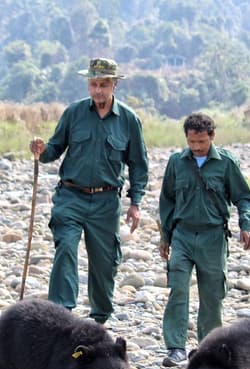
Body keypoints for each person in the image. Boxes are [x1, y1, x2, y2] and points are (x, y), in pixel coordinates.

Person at [29, 58, 148, 324]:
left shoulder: (129, 120)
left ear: (115, 84)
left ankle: (99, 318)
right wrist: (42, 151)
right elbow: (55, 148)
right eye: (93, 84)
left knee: (105, 264)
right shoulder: (74, 113)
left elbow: (139, 165)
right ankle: (62, 314)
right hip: (71, 196)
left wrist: (135, 202)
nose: (97, 91)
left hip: (106, 201)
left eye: (103, 85)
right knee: (66, 248)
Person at [158, 113, 250, 366]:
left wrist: (246, 225)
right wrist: (165, 237)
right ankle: (176, 347)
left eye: (201, 142)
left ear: (212, 137)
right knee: (177, 288)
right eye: (192, 143)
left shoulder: (226, 163)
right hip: (182, 235)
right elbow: (167, 200)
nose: (197, 148)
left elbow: (244, 197)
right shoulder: (176, 163)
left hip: (213, 237)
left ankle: (208, 347)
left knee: (212, 295)